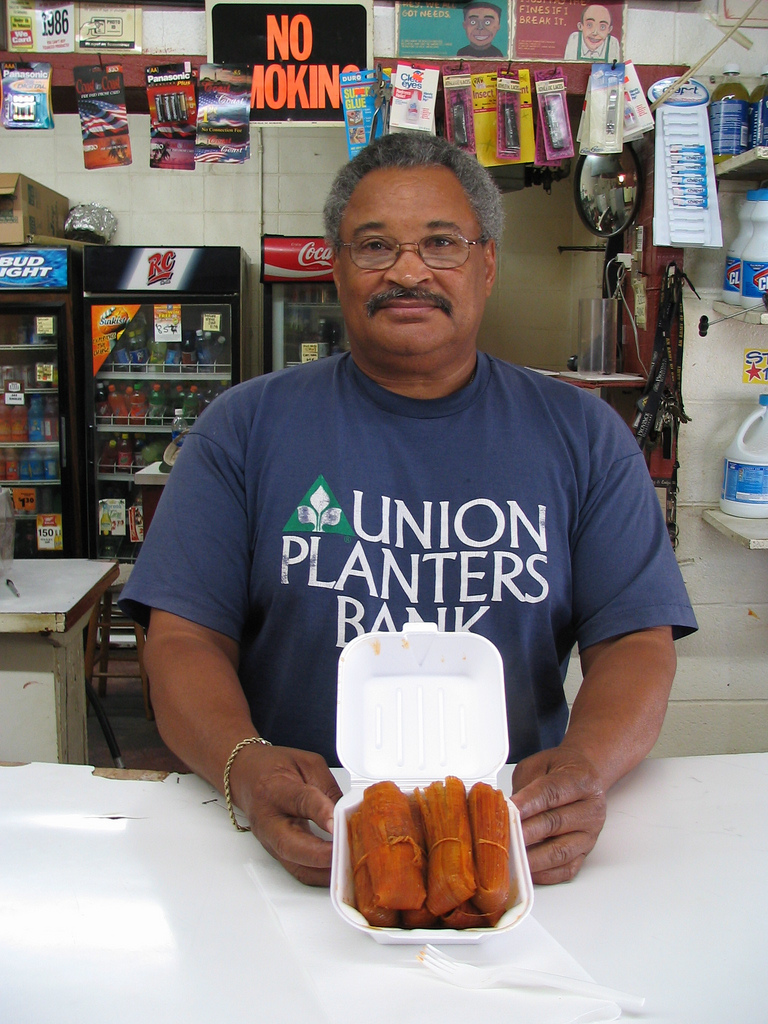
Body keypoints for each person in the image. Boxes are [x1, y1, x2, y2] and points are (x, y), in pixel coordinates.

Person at [120, 132, 697, 891]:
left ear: (486, 264)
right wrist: (244, 767)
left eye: (441, 243)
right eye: (375, 246)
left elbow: (636, 643)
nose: (408, 271)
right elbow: (183, 638)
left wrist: (584, 769)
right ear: (337, 267)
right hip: (299, 831)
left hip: (513, 835)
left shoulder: (583, 435)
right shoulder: (244, 429)